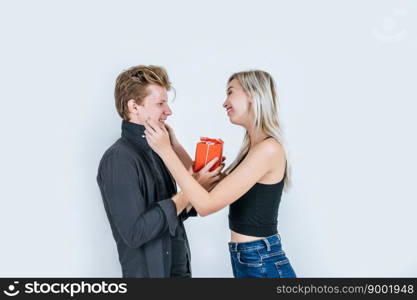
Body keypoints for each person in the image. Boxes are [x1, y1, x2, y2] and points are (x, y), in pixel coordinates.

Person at [144, 70, 297, 278]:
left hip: (262, 262)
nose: (225, 103)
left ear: (252, 95)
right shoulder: (254, 147)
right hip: (252, 259)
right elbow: (213, 187)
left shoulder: (268, 149)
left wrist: (165, 151)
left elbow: (205, 204)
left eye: (230, 92)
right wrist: (176, 146)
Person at [96, 65, 222, 277]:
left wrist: (199, 184)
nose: (168, 111)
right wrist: (187, 193)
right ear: (134, 107)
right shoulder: (118, 159)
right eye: (160, 104)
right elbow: (136, 232)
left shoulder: (160, 148)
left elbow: (176, 213)